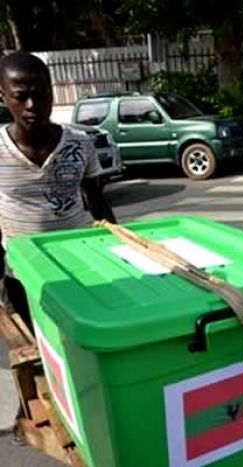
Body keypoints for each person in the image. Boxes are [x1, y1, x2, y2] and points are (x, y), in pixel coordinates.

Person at [0, 50, 116, 443]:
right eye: (21, 95)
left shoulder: (79, 144)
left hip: (78, 264)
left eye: (42, 94)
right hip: (21, 270)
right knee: (31, 345)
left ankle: (84, 406)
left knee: (76, 340)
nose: (33, 105)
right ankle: (29, 407)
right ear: (4, 96)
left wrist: (123, 249)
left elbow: (97, 202)